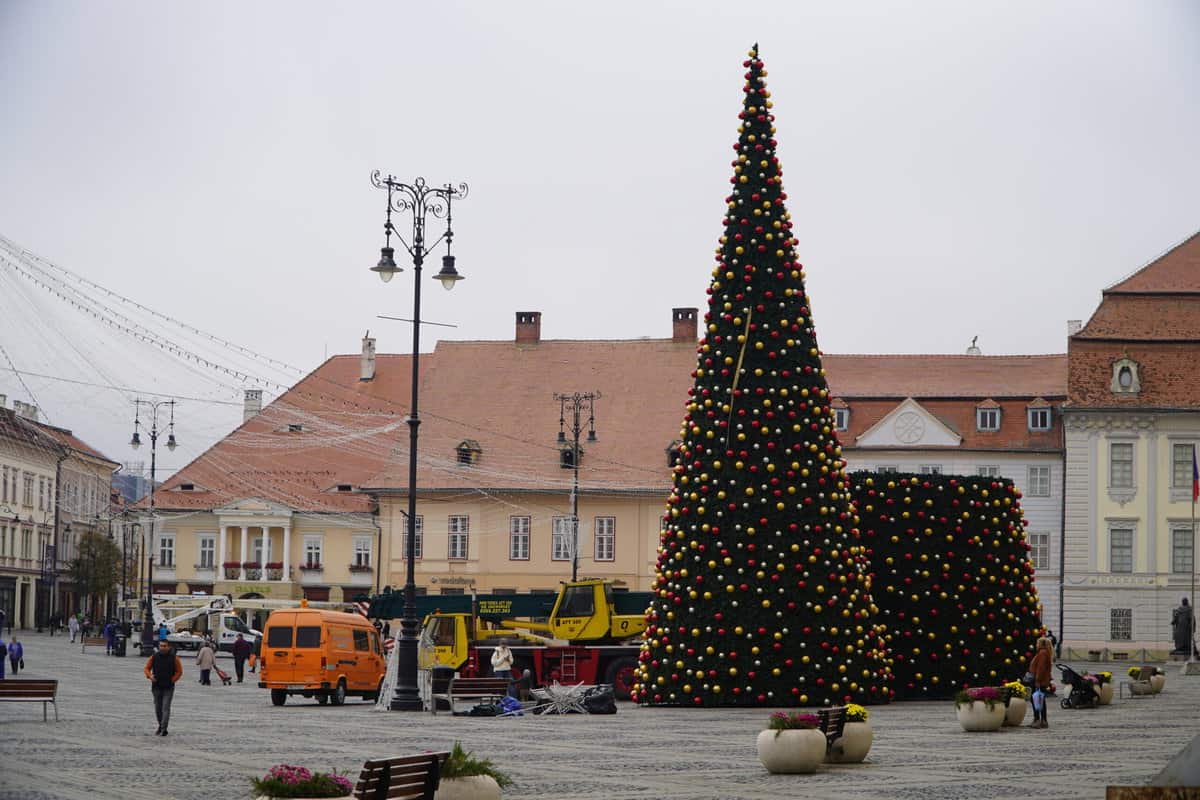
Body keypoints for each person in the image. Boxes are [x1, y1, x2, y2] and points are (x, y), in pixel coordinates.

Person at [143, 640, 182, 736]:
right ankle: (160, 725)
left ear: (168, 647)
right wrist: (150, 676)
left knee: (165, 707)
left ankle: (164, 728)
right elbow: (146, 668)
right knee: (158, 708)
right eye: (161, 646)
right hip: (156, 686)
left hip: (168, 687)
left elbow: (179, 671)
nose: (162, 648)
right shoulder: (154, 657)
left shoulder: (174, 658)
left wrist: (172, 680)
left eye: (164, 646)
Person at [1028, 636, 1053, 729]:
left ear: (1041, 644)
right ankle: (1042, 720)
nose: (1036, 645)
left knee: (1036, 699)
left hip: (1040, 681)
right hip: (1042, 680)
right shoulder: (1044, 652)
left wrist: (1037, 680)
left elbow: (1041, 668)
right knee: (1040, 700)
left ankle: (1038, 720)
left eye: (1037, 643)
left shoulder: (1042, 653)